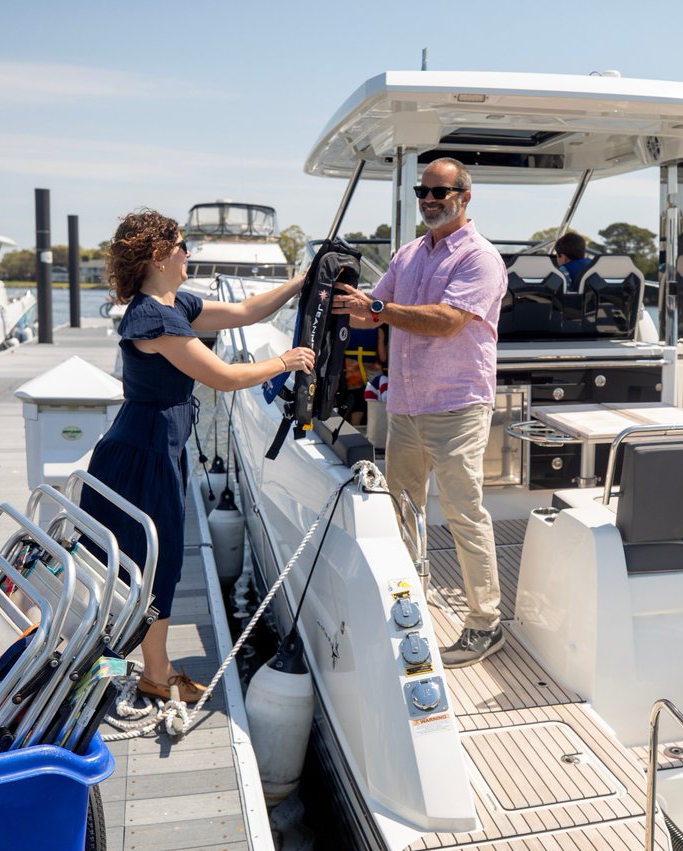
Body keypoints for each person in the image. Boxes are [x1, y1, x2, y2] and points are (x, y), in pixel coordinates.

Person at [80, 209, 313, 703]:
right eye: (184, 247)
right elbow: (222, 377)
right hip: (142, 452)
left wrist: (301, 281)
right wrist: (285, 361)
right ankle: (152, 673)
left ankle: (153, 669)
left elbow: (249, 311)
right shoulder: (151, 317)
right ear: (161, 256)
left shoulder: (174, 305)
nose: (190, 254)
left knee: (154, 562)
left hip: (159, 445)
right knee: (147, 561)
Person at [332, 159, 508, 668]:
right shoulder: (408, 255)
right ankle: (412, 609)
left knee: (463, 513)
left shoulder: (480, 258)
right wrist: (341, 299)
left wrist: (381, 312)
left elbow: (447, 322)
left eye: (440, 191)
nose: (429, 199)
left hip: (456, 405)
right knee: (404, 512)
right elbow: (373, 308)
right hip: (406, 405)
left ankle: (484, 623)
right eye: (422, 191)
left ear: (465, 197)